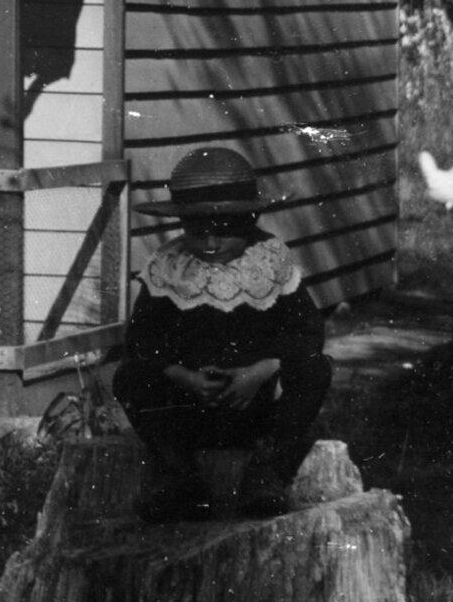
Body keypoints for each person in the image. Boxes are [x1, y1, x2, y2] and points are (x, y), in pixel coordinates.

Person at [110, 146, 332, 521]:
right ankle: (180, 474)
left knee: (315, 368)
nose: (210, 244)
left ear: (250, 220)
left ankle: (265, 471)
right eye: (198, 233)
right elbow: (142, 341)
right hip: (188, 410)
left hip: (253, 412)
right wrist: (185, 377)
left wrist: (259, 372)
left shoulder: (269, 261)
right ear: (182, 225)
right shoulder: (169, 267)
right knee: (129, 375)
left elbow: (307, 333)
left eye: (224, 232)